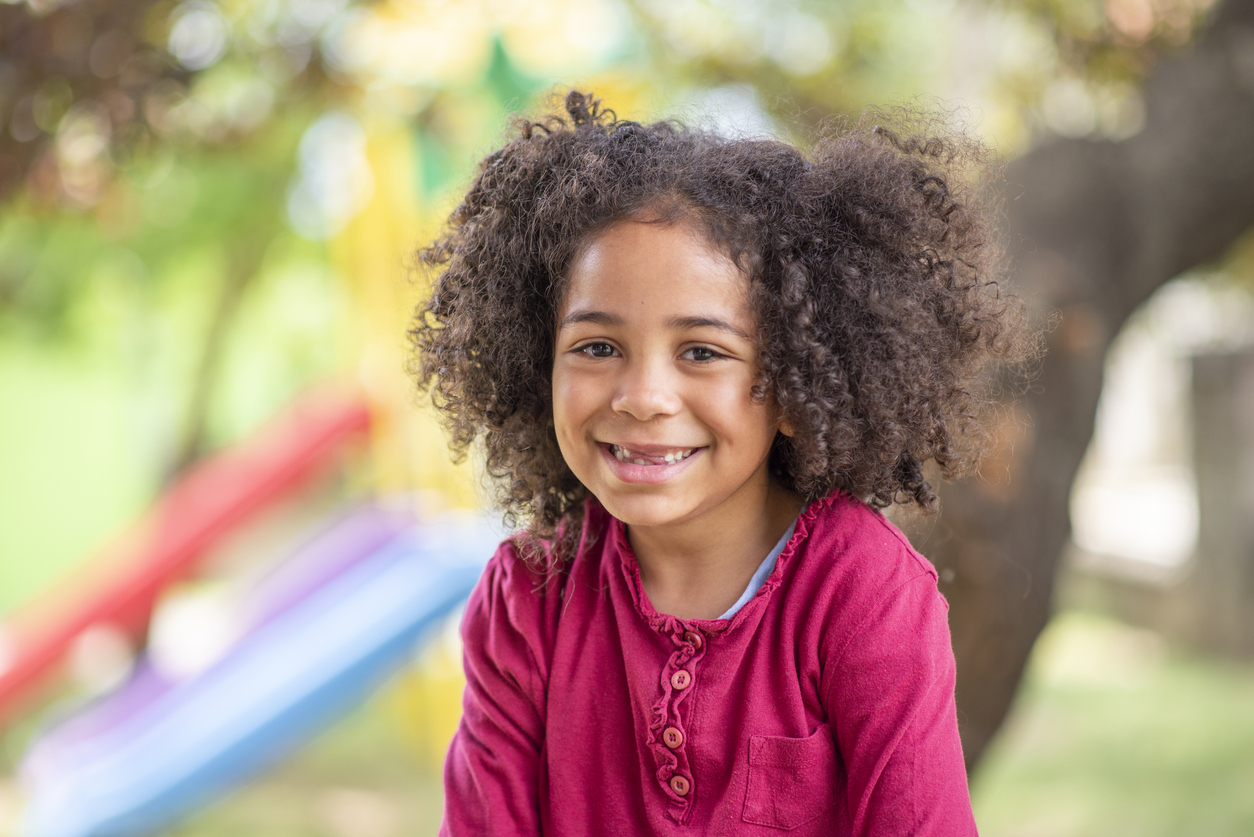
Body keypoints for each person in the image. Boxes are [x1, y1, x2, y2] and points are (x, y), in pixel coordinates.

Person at [409, 90, 1034, 836]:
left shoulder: (863, 592)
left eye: (702, 352)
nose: (643, 396)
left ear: (798, 385)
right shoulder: (526, 600)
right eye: (598, 347)